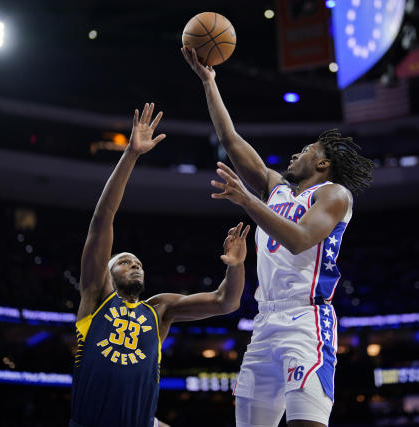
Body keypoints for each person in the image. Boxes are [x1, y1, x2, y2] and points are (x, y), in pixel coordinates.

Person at [182, 48, 374, 427]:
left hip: (307, 318)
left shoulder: (333, 194)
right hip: (265, 320)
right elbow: (232, 140)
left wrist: (247, 202)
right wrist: (209, 83)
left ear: (322, 164)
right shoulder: (276, 187)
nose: (295, 154)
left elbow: (301, 239)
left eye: (306, 151)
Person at [71, 102, 250, 427]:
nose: (134, 265)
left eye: (137, 262)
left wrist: (235, 266)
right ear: (107, 273)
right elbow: (102, 220)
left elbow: (227, 301)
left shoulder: (159, 311)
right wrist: (131, 154)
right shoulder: (96, 297)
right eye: (125, 262)